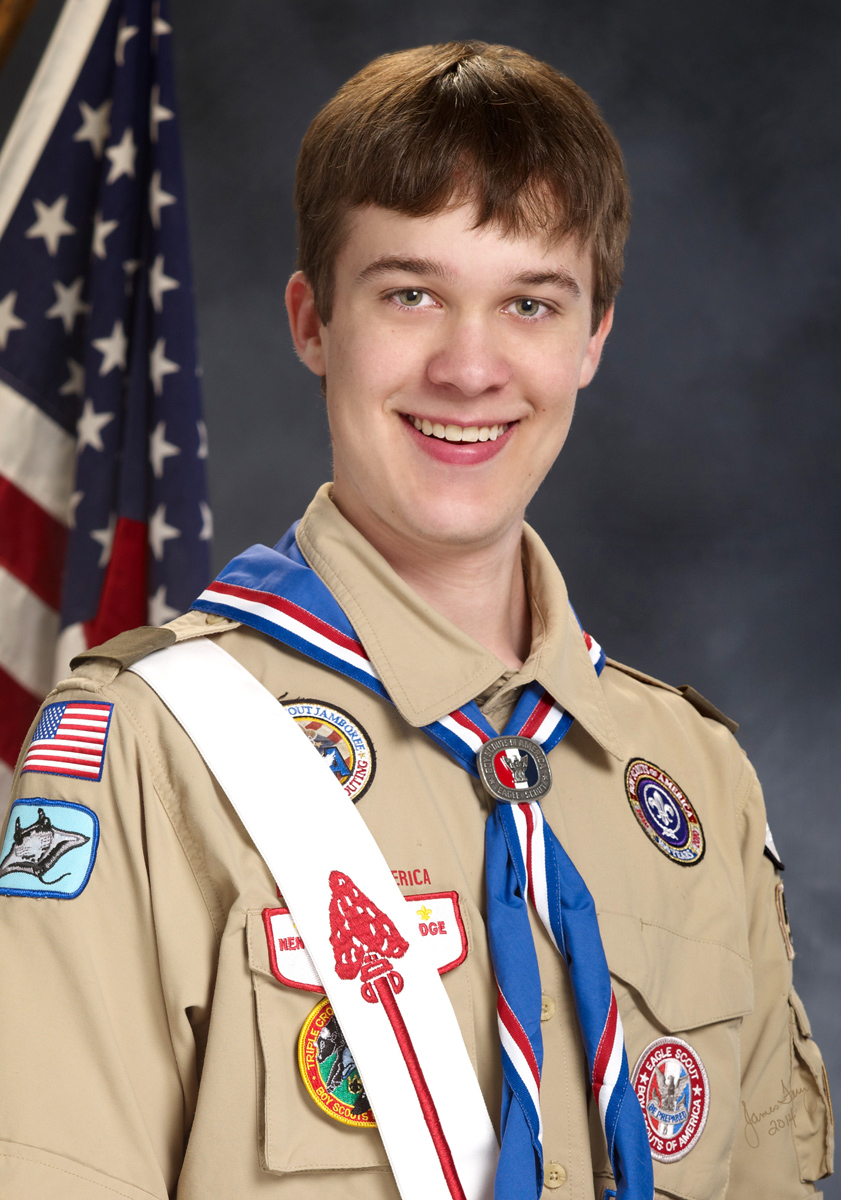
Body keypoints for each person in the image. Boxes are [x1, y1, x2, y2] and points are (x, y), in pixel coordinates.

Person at [0, 41, 833, 1200]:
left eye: (531, 302)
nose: (469, 367)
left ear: (591, 337)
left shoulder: (693, 774)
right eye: (410, 294)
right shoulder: (150, 749)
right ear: (311, 321)